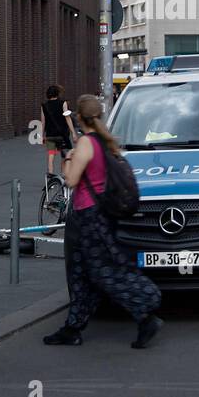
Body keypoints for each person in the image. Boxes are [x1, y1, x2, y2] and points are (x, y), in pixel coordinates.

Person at [43, 94, 163, 349]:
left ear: (78, 117)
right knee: (80, 273)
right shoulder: (104, 141)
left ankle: (145, 310)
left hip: (89, 217)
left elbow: (72, 180)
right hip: (96, 215)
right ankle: (72, 328)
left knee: (103, 272)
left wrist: (67, 160)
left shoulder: (86, 143)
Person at [41, 85, 76, 175]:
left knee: (51, 155)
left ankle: (50, 177)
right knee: (64, 156)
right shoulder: (63, 103)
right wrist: (73, 133)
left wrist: (42, 135)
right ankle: (63, 175)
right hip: (62, 135)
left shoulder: (44, 105)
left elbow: (43, 121)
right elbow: (67, 118)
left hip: (50, 135)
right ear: (57, 93)